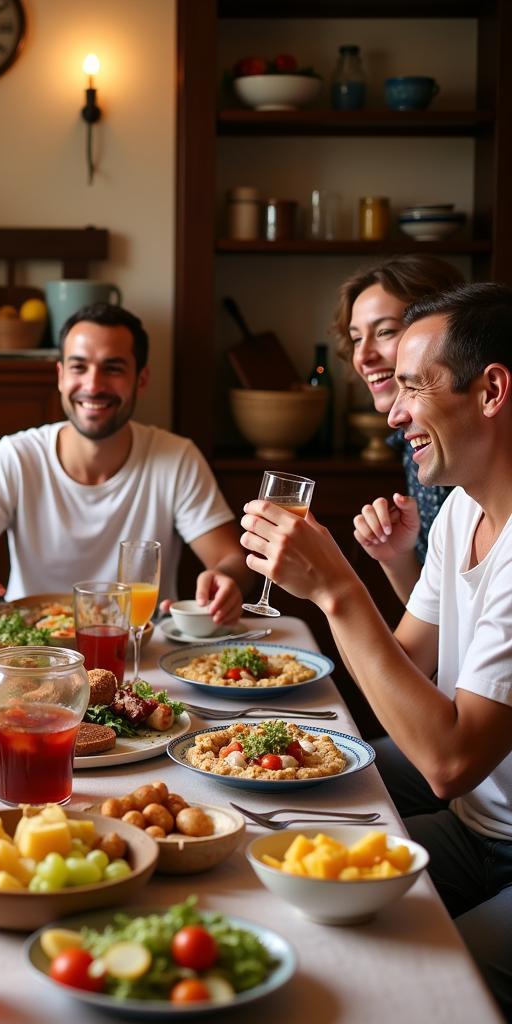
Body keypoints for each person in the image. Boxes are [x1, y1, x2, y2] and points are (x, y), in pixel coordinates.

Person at [241, 283, 512, 1018]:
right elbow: (402, 664)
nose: (393, 414)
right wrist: (343, 588)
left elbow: (448, 762)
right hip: (476, 828)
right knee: (282, 893)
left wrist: (336, 589)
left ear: (490, 390)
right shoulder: (462, 510)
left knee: (417, 999)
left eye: (414, 387)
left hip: (495, 835)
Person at [0, 303, 249, 622]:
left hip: (137, 648)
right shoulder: (17, 456)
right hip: (33, 651)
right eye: (79, 366)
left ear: (141, 380)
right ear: (60, 376)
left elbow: (230, 559)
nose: (93, 385)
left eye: (113, 368)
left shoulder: (177, 458)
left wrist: (226, 578)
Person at [331, 255, 465, 602]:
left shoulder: (470, 449)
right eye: (356, 338)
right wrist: (395, 557)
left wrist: (330, 585)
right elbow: (435, 617)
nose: (363, 356)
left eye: (385, 332)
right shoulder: (413, 444)